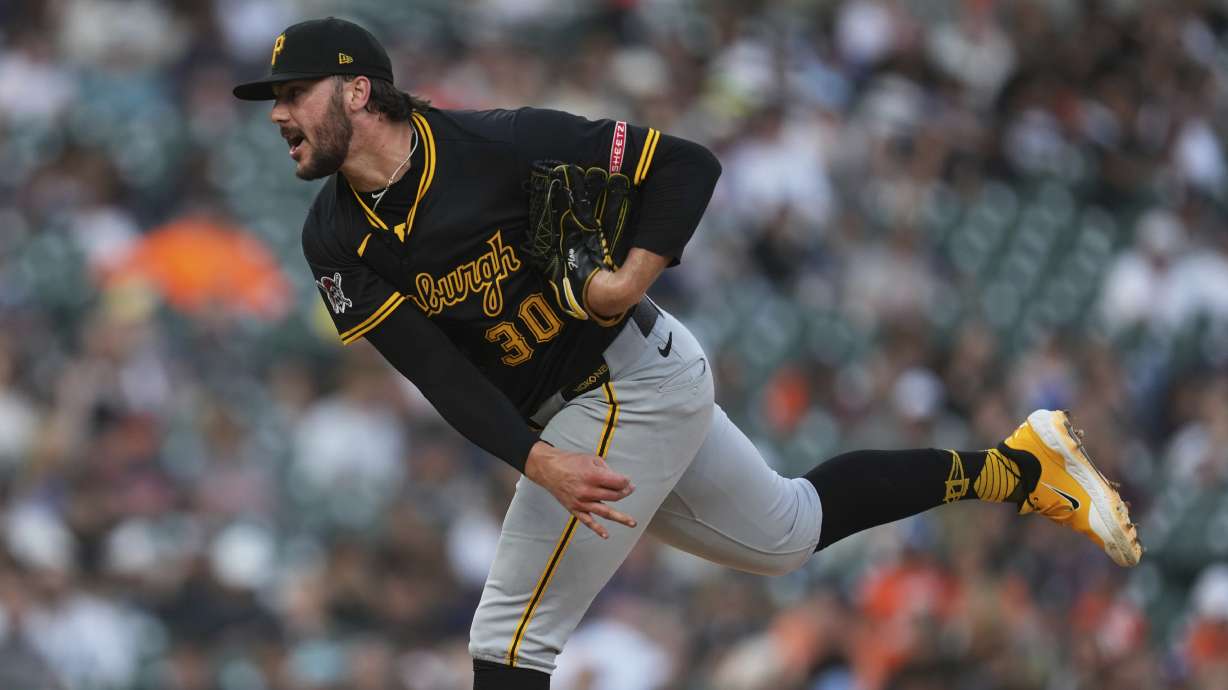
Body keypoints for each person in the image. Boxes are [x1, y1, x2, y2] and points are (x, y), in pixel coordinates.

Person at [233, 17, 1142, 689]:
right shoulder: (333, 236)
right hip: (574, 414)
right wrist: (537, 459)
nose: (278, 113)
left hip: (626, 380)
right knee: (788, 533)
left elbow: (687, 165)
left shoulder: (496, 142)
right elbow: (434, 371)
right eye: (273, 99)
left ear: (358, 90)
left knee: (508, 639)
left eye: (292, 93)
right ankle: (1022, 469)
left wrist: (627, 280)